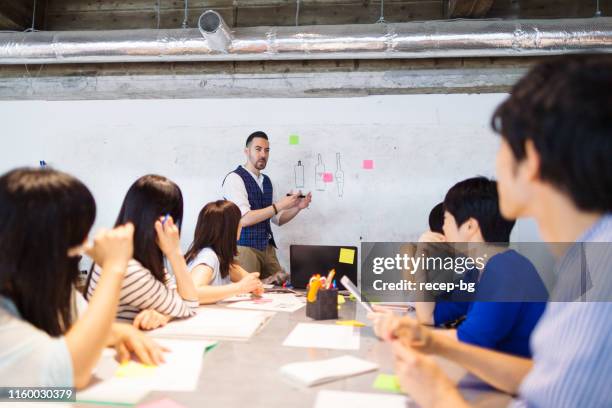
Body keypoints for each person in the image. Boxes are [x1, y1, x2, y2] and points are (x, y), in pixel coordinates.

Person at [374, 55, 612, 407]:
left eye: (500, 144)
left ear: (530, 159)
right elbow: (544, 379)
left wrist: (438, 397)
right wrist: (433, 342)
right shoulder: (586, 257)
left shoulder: (586, 273)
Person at [0, 168, 165, 388]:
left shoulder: (51, 286)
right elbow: (72, 374)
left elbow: (76, 327)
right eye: (77, 234)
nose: (84, 242)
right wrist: (114, 267)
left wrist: (116, 331)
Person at [408, 177, 547, 357]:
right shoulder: (478, 273)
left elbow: (469, 342)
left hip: (518, 382)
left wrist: (405, 333)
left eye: (446, 219)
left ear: (470, 226)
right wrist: (422, 255)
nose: (442, 228)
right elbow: (428, 316)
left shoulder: (505, 271)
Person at [86, 175, 199, 330]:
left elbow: (172, 292)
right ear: (163, 222)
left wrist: (164, 312)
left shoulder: (127, 255)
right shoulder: (130, 269)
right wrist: (175, 253)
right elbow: (190, 305)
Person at [222, 131, 312, 283]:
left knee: (283, 287)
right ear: (247, 151)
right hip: (244, 248)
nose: (263, 154)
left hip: (268, 248)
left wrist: (297, 207)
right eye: (258, 149)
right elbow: (244, 219)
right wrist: (280, 205)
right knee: (247, 294)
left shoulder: (268, 182)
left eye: (267, 150)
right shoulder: (234, 179)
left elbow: (277, 219)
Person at [185, 200, 264, 304]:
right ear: (231, 229)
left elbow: (252, 280)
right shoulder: (208, 256)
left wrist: (253, 284)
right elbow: (193, 293)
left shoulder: (222, 259)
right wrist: (239, 287)